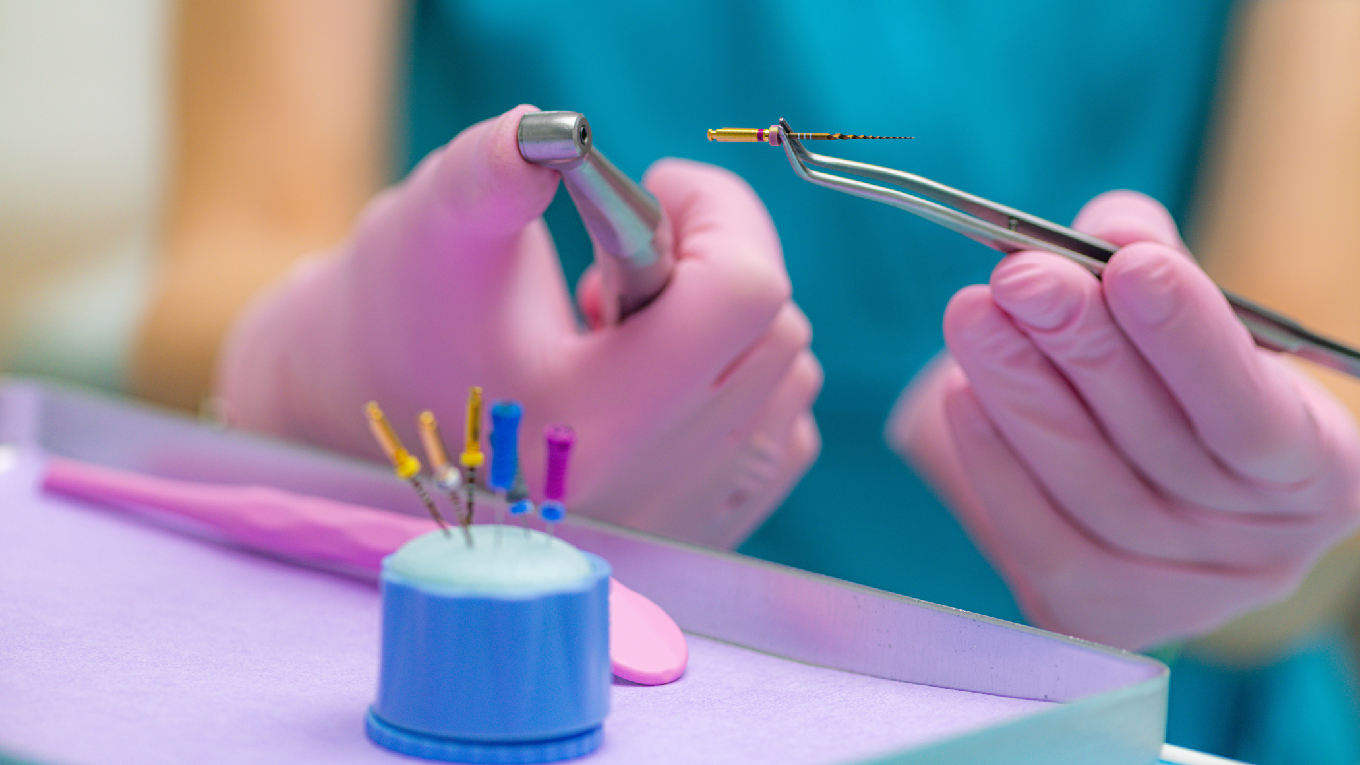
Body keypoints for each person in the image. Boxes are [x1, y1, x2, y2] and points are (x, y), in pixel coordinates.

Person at [135, 2, 1360, 761]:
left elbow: (1328, 385)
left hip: (1147, 725)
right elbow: (220, 257)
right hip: (497, 696)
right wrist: (300, 371)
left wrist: (1252, 535)